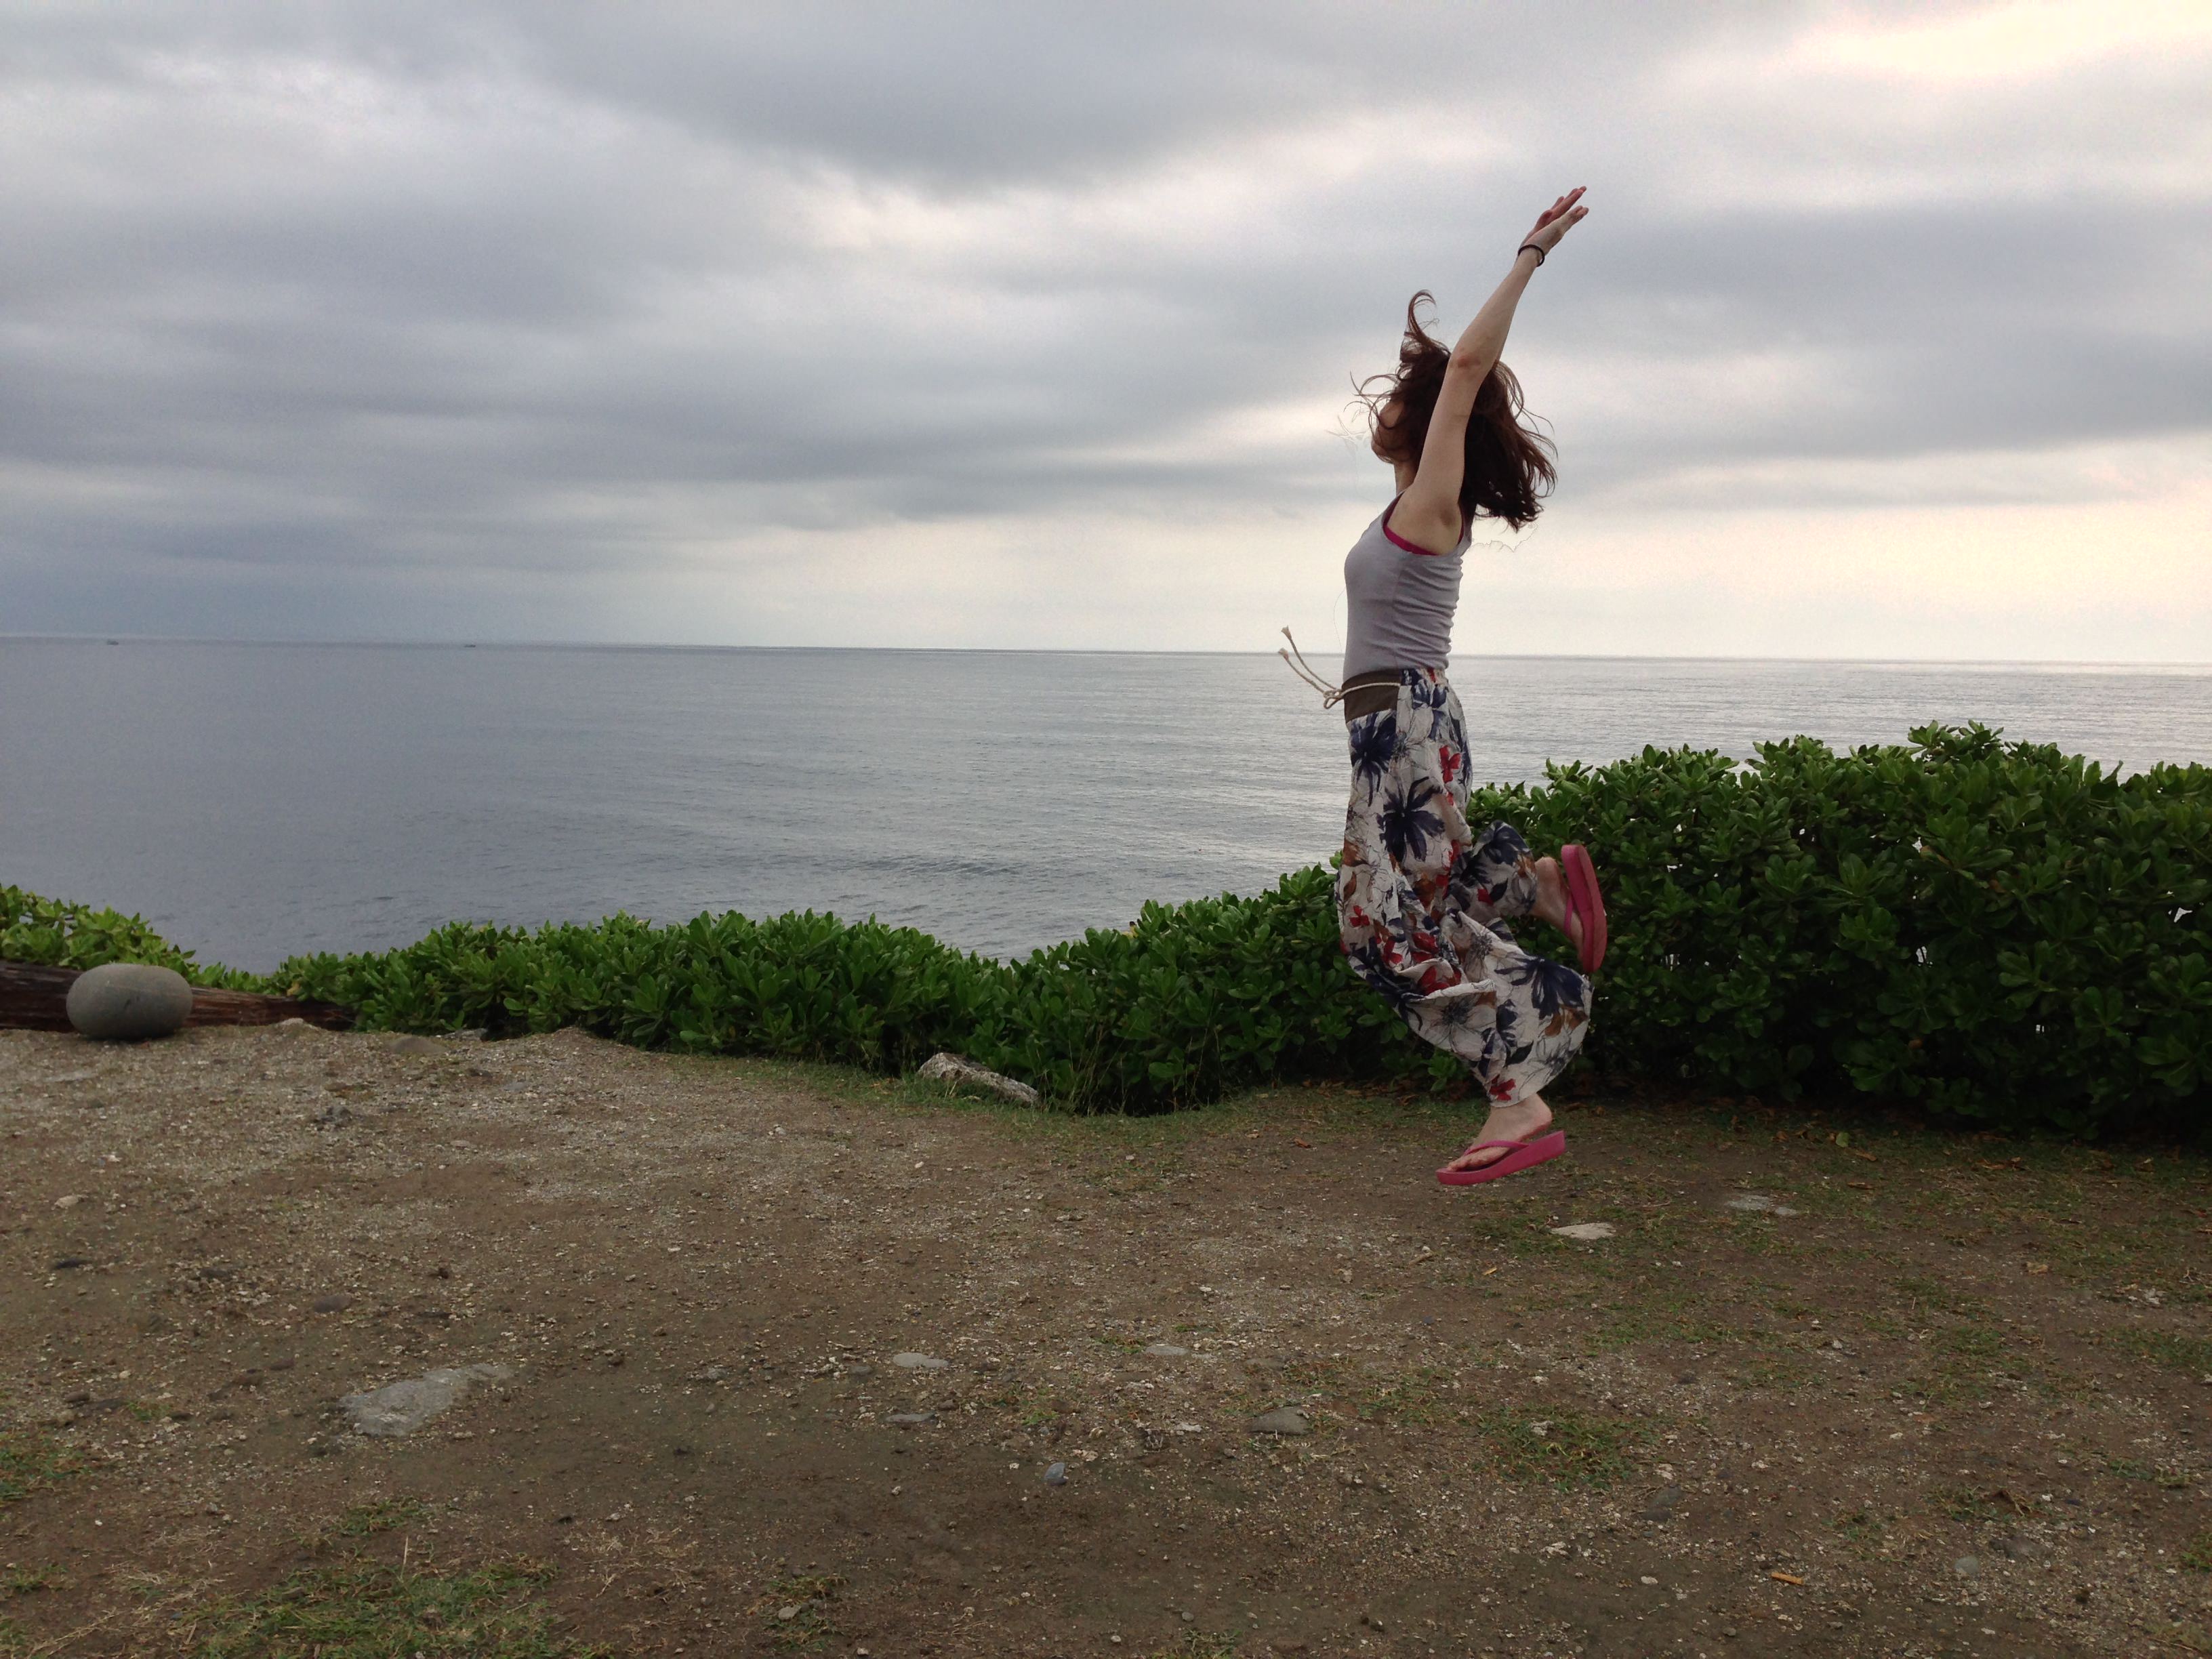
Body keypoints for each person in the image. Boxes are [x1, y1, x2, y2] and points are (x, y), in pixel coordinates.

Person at [1285, 188, 1605, 1185]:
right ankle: (1527, 886)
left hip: (1407, 723)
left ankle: (1518, 1093)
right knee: (1410, 905)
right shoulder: (1408, 510)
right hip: (1403, 724)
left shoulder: (1432, 500)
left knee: (1377, 928)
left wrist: (1529, 255)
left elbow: (1467, 370)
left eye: (1398, 395)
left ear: (1425, 424)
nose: (1380, 404)